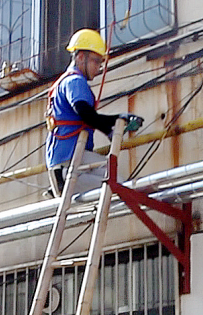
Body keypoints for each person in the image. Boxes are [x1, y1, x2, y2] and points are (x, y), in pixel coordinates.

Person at [44, 28, 145, 196]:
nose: (98, 68)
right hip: (70, 162)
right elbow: (85, 113)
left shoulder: (64, 83)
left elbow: (86, 117)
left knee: (108, 171)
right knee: (118, 185)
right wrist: (117, 120)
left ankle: (56, 189)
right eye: (95, 61)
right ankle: (59, 186)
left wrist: (110, 129)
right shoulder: (75, 81)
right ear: (80, 57)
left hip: (67, 161)